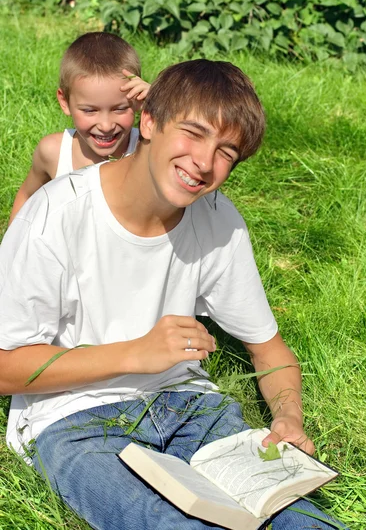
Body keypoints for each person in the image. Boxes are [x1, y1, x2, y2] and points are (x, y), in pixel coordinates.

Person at [0, 60, 346, 530]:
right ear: (149, 121)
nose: (204, 162)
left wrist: (288, 416)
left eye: (226, 151)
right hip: (75, 419)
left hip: (191, 408)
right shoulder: (54, 215)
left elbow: (270, 350)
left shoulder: (219, 222)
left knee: (297, 518)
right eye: (193, 133)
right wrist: (134, 354)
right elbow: (4, 369)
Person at [8, 31, 150, 224]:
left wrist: (156, 107)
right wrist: (13, 247)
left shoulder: (147, 147)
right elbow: (26, 197)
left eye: (120, 108)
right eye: (90, 111)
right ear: (65, 102)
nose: (106, 125)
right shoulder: (54, 152)